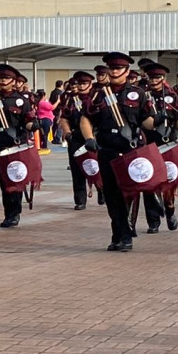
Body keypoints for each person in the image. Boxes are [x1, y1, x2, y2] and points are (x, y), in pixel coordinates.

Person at [78, 52, 142, 251]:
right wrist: (89, 138)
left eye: (118, 68)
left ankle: (125, 233)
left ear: (127, 71)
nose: (114, 72)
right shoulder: (98, 95)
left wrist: (162, 122)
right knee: (112, 195)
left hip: (131, 151)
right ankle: (119, 234)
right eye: (111, 68)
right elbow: (86, 119)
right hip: (107, 150)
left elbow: (146, 120)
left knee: (128, 194)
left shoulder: (138, 94)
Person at [0, 63, 40, 229]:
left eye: (7, 78)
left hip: (16, 143)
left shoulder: (22, 101)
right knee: (4, 180)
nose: (3, 81)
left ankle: (15, 213)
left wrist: (32, 126)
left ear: (14, 81)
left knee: (16, 177)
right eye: (1, 78)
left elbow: (28, 121)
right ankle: (9, 212)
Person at [139, 62, 178, 232]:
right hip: (147, 143)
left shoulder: (172, 96)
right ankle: (153, 221)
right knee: (148, 182)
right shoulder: (142, 95)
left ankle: (170, 210)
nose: (154, 80)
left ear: (163, 78)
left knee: (168, 182)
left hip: (167, 142)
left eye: (157, 77)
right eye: (151, 77)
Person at [61, 71, 99, 210]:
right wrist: (67, 133)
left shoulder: (96, 98)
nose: (81, 86)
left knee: (98, 166)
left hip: (95, 137)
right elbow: (64, 118)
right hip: (76, 137)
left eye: (84, 83)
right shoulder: (71, 100)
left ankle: (102, 190)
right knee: (77, 169)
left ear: (90, 84)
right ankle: (80, 199)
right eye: (79, 83)